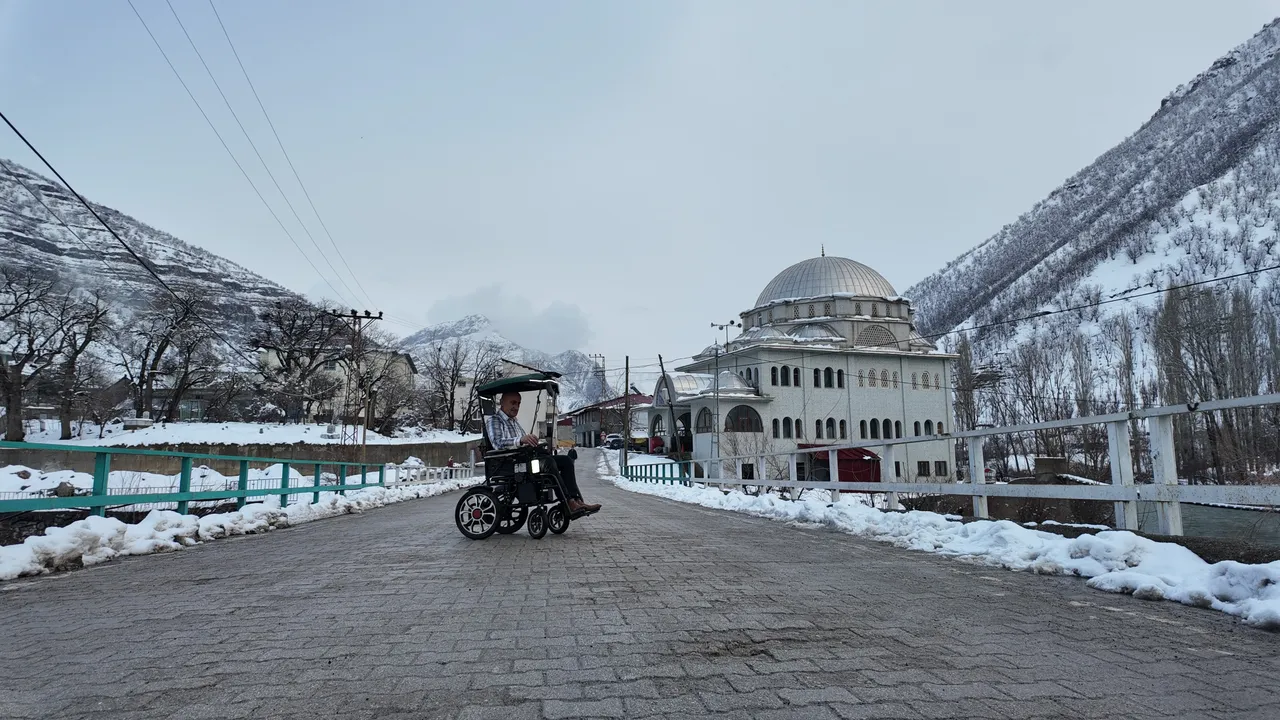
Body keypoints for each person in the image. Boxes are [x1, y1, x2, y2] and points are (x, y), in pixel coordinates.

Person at [486, 391, 601, 514]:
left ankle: (576, 500)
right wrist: (520, 440)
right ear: (502, 403)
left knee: (566, 461)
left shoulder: (514, 422)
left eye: (519, 403)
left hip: (522, 461)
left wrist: (533, 442)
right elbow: (497, 443)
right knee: (548, 463)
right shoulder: (495, 420)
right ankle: (568, 502)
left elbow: (523, 442)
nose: (517, 407)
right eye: (513, 403)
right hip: (508, 464)